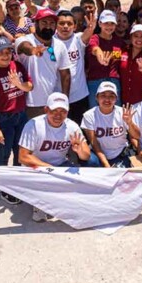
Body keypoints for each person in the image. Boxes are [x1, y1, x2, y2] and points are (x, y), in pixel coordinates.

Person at [18, 92, 91, 222]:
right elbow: (23, 157)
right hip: (37, 167)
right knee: (44, 190)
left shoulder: (72, 126)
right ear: (46, 109)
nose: (58, 115)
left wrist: (79, 151)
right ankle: (40, 204)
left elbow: (86, 156)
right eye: (54, 111)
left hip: (60, 165)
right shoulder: (33, 125)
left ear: (67, 112)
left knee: (87, 173)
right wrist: (50, 169)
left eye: (63, 111)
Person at [0, 36, 33, 205]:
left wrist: (19, 84)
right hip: (3, 118)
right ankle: (5, 189)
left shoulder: (17, 66)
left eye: (8, 51)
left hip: (21, 115)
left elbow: (29, 86)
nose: (5, 55)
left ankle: (16, 182)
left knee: (20, 151)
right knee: (3, 155)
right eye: (0, 52)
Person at [15, 9, 72, 119]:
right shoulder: (24, 40)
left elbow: (65, 75)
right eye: (44, 22)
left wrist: (65, 100)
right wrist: (33, 50)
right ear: (36, 24)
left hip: (53, 103)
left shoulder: (60, 46)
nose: (48, 26)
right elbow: (25, 47)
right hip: (30, 103)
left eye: (52, 23)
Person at [81, 82, 139, 168]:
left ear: (116, 99)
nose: (107, 99)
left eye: (111, 96)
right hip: (99, 155)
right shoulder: (89, 115)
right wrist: (106, 165)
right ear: (97, 97)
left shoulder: (123, 112)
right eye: (103, 95)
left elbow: (137, 136)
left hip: (120, 154)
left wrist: (129, 123)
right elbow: (94, 143)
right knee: (90, 162)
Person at [55, 10, 96, 123]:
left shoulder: (78, 39)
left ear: (75, 26)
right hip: (58, 96)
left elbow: (87, 34)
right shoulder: (50, 42)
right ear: (56, 25)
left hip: (80, 96)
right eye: (61, 23)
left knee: (79, 129)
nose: (65, 26)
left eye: (69, 23)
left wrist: (91, 28)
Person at [85, 10, 126, 107]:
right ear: (100, 23)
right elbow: (95, 49)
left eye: (112, 23)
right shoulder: (94, 38)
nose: (109, 26)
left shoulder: (118, 41)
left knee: (116, 111)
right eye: (106, 23)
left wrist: (110, 57)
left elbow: (118, 56)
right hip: (96, 81)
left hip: (114, 81)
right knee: (95, 111)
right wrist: (101, 58)